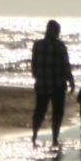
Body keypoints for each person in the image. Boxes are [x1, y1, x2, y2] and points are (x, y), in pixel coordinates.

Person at [30, 19, 72, 149]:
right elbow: (65, 66)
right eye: (58, 31)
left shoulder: (38, 45)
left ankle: (35, 135)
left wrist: (38, 76)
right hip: (58, 85)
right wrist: (71, 80)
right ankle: (54, 138)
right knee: (57, 113)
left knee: (40, 111)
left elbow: (34, 66)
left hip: (42, 84)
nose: (58, 34)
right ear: (54, 31)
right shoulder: (60, 46)